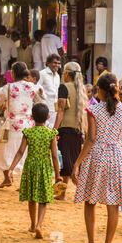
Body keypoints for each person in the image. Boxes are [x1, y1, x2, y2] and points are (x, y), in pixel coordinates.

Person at [72, 73, 122, 243]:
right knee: (112, 204)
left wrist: (77, 163)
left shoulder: (94, 111)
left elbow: (90, 139)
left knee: (90, 201)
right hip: (117, 157)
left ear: (99, 90)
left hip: (96, 157)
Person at [7, 103, 61, 238]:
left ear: (32, 117)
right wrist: (58, 175)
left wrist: (11, 168)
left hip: (30, 166)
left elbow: (20, 152)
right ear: (48, 117)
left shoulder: (28, 132)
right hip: (45, 167)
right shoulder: (51, 134)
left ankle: (32, 225)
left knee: (32, 197)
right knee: (43, 199)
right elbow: (54, 156)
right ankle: (39, 225)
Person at [0, 62, 44, 187]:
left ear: (13, 73)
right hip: (28, 125)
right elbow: (41, 100)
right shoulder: (32, 86)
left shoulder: (7, 88)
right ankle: (24, 183)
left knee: (4, 152)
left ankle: (7, 178)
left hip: (11, 125)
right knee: (26, 153)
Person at [53, 62, 88, 200]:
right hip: (77, 129)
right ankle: (63, 192)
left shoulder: (64, 87)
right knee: (71, 161)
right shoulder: (81, 89)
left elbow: (61, 110)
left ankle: (63, 193)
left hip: (65, 128)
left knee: (64, 162)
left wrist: (54, 130)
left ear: (67, 74)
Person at [38, 54, 61, 128]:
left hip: (54, 108)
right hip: (44, 107)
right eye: (55, 63)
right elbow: (36, 89)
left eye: (58, 63)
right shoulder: (42, 74)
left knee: (51, 129)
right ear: (48, 63)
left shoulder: (57, 76)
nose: (57, 65)